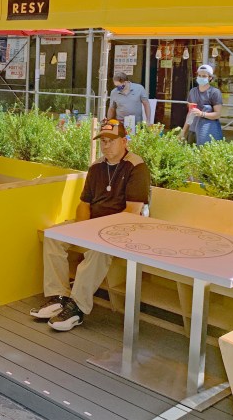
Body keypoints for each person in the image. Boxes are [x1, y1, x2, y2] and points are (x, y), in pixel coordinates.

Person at [30, 119, 150, 331]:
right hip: (93, 225)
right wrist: (82, 230)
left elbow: (132, 212)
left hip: (123, 229)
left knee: (98, 250)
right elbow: (84, 203)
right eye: (102, 141)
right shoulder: (96, 166)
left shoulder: (136, 167)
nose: (105, 145)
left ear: (124, 141)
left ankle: (77, 307)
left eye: (111, 141)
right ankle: (58, 296)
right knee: (53, 236)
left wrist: (97, 233)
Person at [182, 64, 224, 145]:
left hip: (207, 131)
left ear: (210, 78)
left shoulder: (214, 92)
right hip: (193, 130)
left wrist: (202, 114)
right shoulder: (193, 91)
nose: (201, 78)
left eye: (204, 76)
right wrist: (184, 131)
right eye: (199, 75)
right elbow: (190, 113)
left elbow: (217, 114)